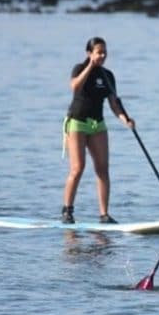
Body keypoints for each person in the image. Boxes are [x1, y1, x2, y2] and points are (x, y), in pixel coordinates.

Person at [62, 36, 134, 224]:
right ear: (89, 53)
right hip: (77, 122)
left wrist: (125, 119)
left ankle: (104, 214)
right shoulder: (79, 68)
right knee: (78, 168)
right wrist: (90, 67)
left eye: (104, 53)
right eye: (98, 52)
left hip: (98, 124)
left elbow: (114, 104)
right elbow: (74, 86)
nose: (102, 56)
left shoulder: (108, 76)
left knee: (103, 169)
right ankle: (67, 211)